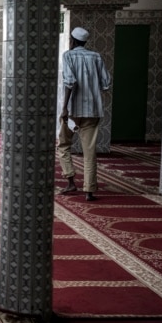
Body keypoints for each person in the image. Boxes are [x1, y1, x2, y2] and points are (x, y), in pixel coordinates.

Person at [58, 27, 112, 202]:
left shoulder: (68, 55)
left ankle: (71, 181)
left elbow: (69, 82)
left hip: (73, 111)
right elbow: (105, 84)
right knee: (89, 152)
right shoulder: (96, 56)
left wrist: (65, 108)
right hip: (93, 111)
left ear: (72, 41)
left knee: (64, 145)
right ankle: (89, 191)